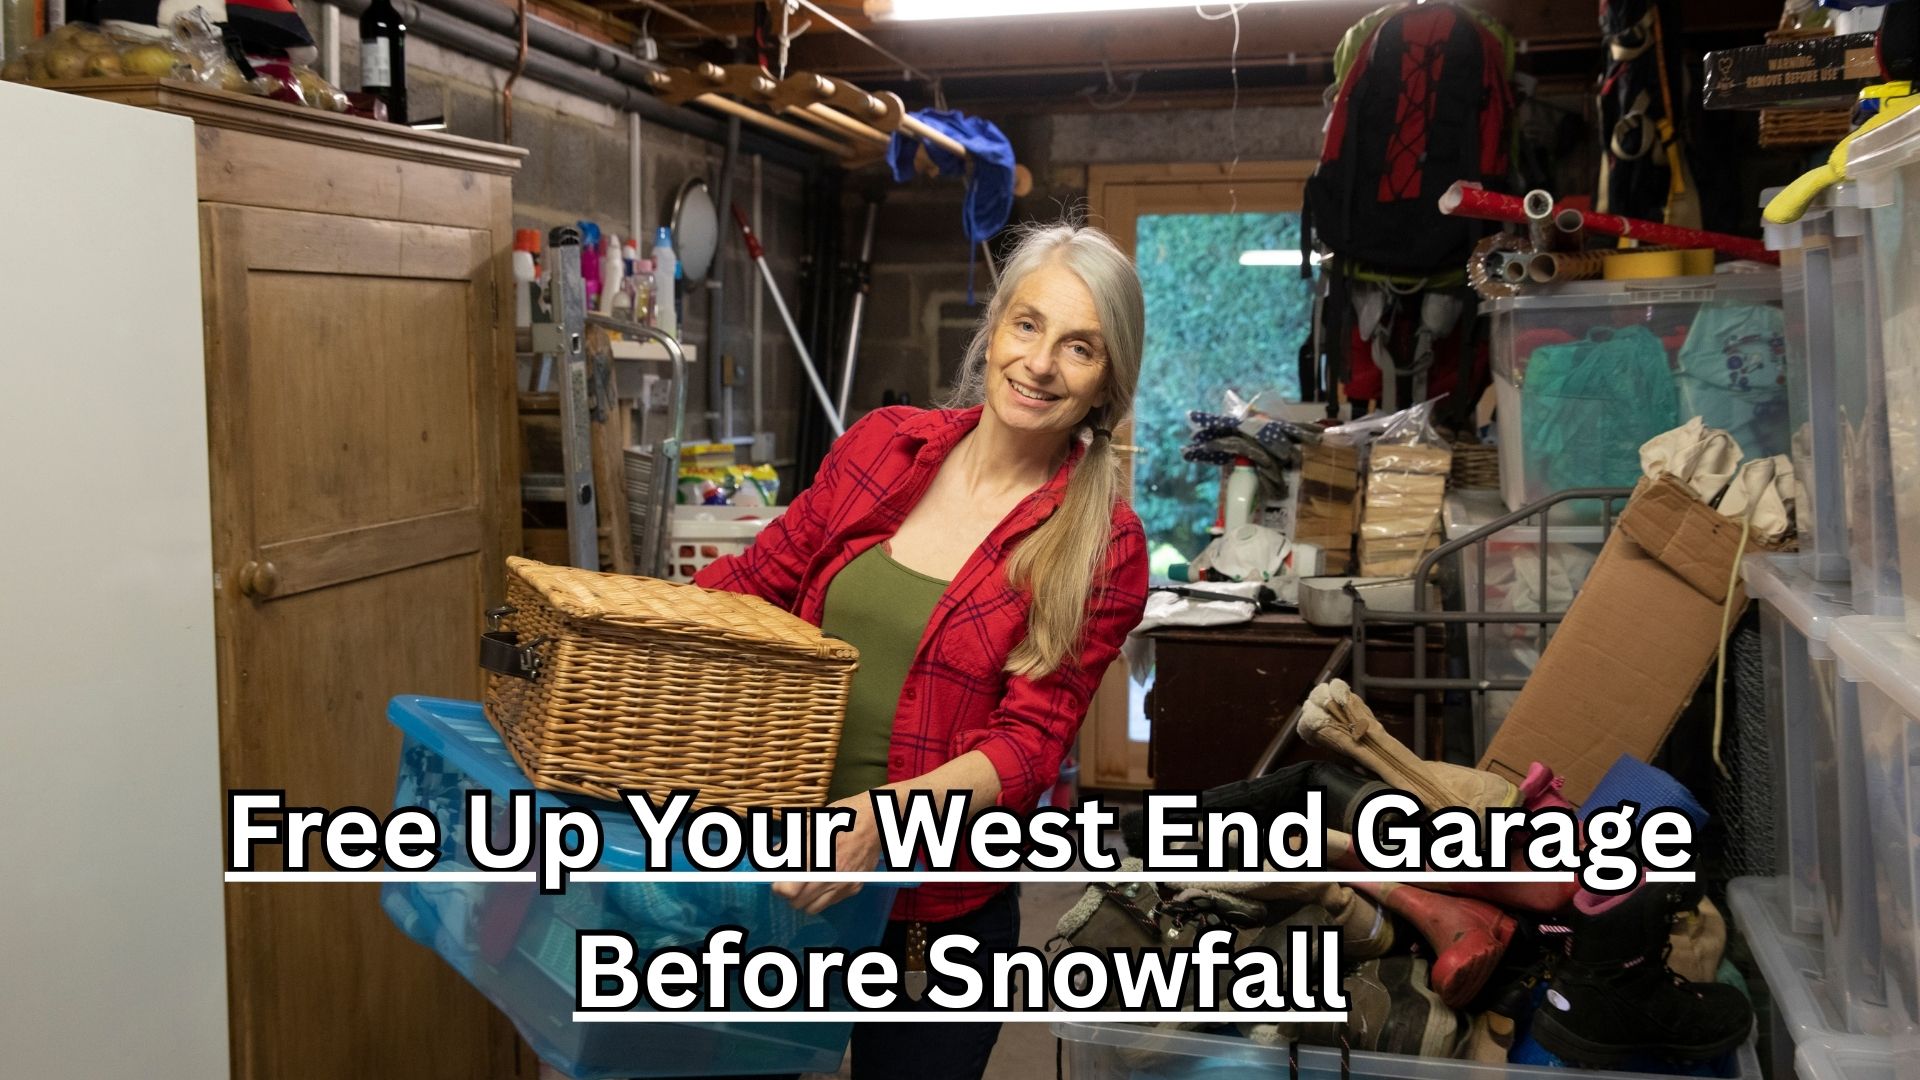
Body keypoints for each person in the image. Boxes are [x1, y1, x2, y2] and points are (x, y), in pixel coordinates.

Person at [690, 221, 1150, 1079]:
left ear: (1106, 381)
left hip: (934, 920)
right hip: (784, 872)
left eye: (1079, 347)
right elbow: (757, 580)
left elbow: (1027, 747)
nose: (1040, 363)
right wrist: (616, 626)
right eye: (1027, 325)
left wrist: (885, 823)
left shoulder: (1103, 543)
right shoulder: (885, 445)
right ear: (995, 327)